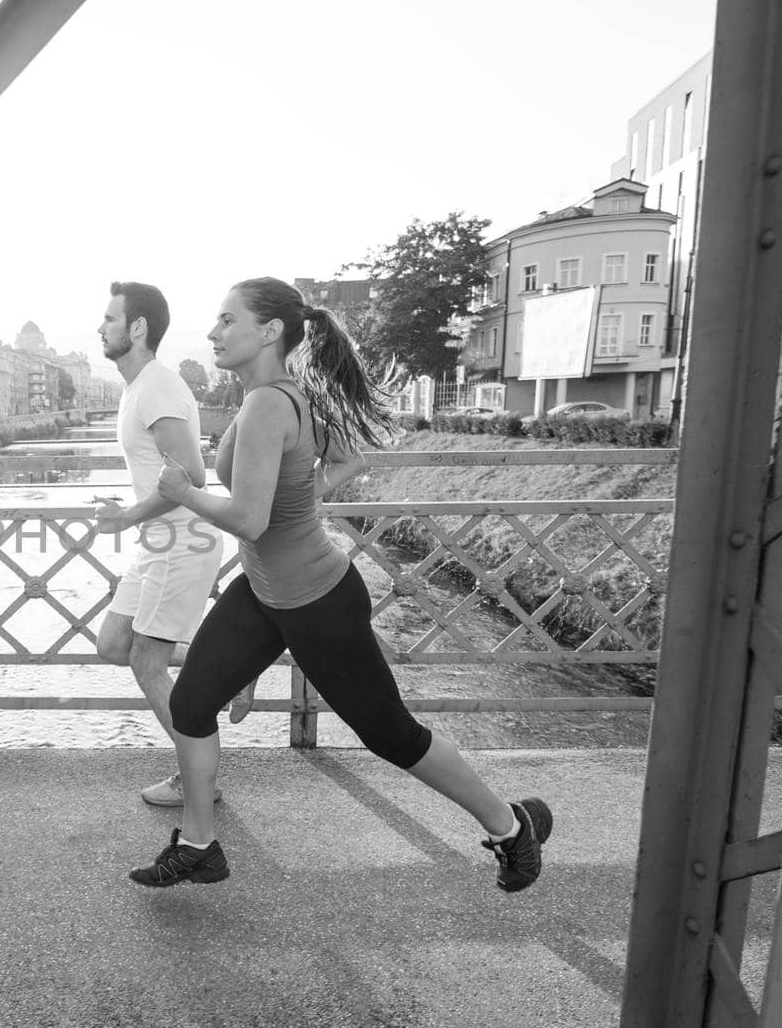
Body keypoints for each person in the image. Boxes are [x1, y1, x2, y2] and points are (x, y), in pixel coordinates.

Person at [128, 276, 551, 891]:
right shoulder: (276, 396)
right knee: (192, 706)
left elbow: (249, 518)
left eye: (227, 320)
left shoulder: (271, 402)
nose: (214, 332)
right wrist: (301, 497)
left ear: (269, 331)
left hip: (317, 599)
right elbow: (324, 469)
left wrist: (184, 493)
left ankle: (511, 826)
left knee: (389, 734)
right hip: (265, 590)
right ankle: (198, 846)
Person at [92, 281, 226, 806]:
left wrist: (126, 515)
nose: (100, 327)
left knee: (147, 661)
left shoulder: (157, 386)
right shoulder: (135, 387)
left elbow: (190, 476)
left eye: (109, 319)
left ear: (138, 327)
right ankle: (225, 668)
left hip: (182, 542)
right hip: (157, 543)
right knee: (114, 645)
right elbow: (158, 472)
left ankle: (199, 781)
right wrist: (131, 510)